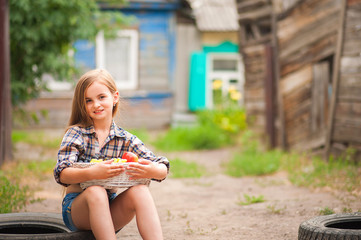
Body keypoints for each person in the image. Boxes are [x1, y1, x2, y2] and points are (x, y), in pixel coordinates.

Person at [53, 69, 169, 240]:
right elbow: (62, 174)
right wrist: (93, 173)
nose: (96, 105)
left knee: (141, 191)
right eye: (88, 100)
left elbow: (162, 166)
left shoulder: (124, 139)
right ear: (82, 105)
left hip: (110, 210)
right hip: (77, 211)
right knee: (96, 191)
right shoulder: (76, 134)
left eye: (101, 97)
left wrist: (152, 170)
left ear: (114, 97)